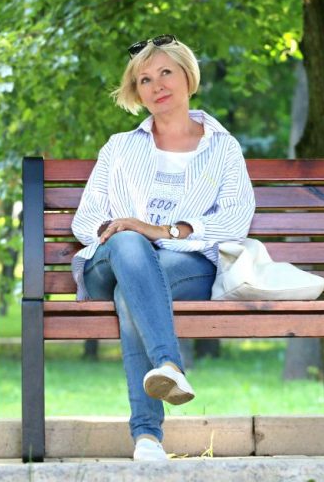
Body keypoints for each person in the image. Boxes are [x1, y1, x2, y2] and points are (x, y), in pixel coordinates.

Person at [70, 34, 256, 461]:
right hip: (108, 264)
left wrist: (161, 231)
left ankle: (147, 438)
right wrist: (128, 232)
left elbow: (234, 220)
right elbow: (86, 219)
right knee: (129, 246)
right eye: (144, 79)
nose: (156, 85)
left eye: (165, 72)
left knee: (131, 291)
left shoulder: (222, 149)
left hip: (184, 266)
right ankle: (169, 366)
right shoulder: (119, 148)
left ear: (188, 76)